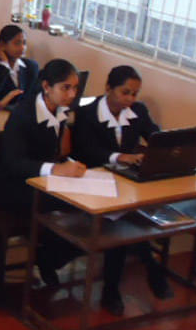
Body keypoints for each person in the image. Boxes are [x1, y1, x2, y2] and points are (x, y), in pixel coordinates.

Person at [73, 65, 172, 315]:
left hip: (124, 184)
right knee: (123, 222)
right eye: (125, 92)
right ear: (108, 89)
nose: (130, 99)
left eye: (134, 94)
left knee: (128, 219)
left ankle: (113, 290)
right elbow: (86, 151)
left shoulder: (137, 111)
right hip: (93, 183)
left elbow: (155, 136)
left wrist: (164, 146)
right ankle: (147, 272)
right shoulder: (87, 114)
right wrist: (120, 156)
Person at [0, 59, 86, 286]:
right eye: (65, 88)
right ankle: (47, 257)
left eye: (75, 88)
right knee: (69, 209)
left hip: (38, 180)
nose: (71, 94)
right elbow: (14, 163)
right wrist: (57, 169)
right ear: (47, 87)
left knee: (86, 213)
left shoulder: (59, 111)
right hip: (9, 184)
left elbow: (54, 153)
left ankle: (48, 257)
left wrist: (68, 164)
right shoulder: (24, 115)